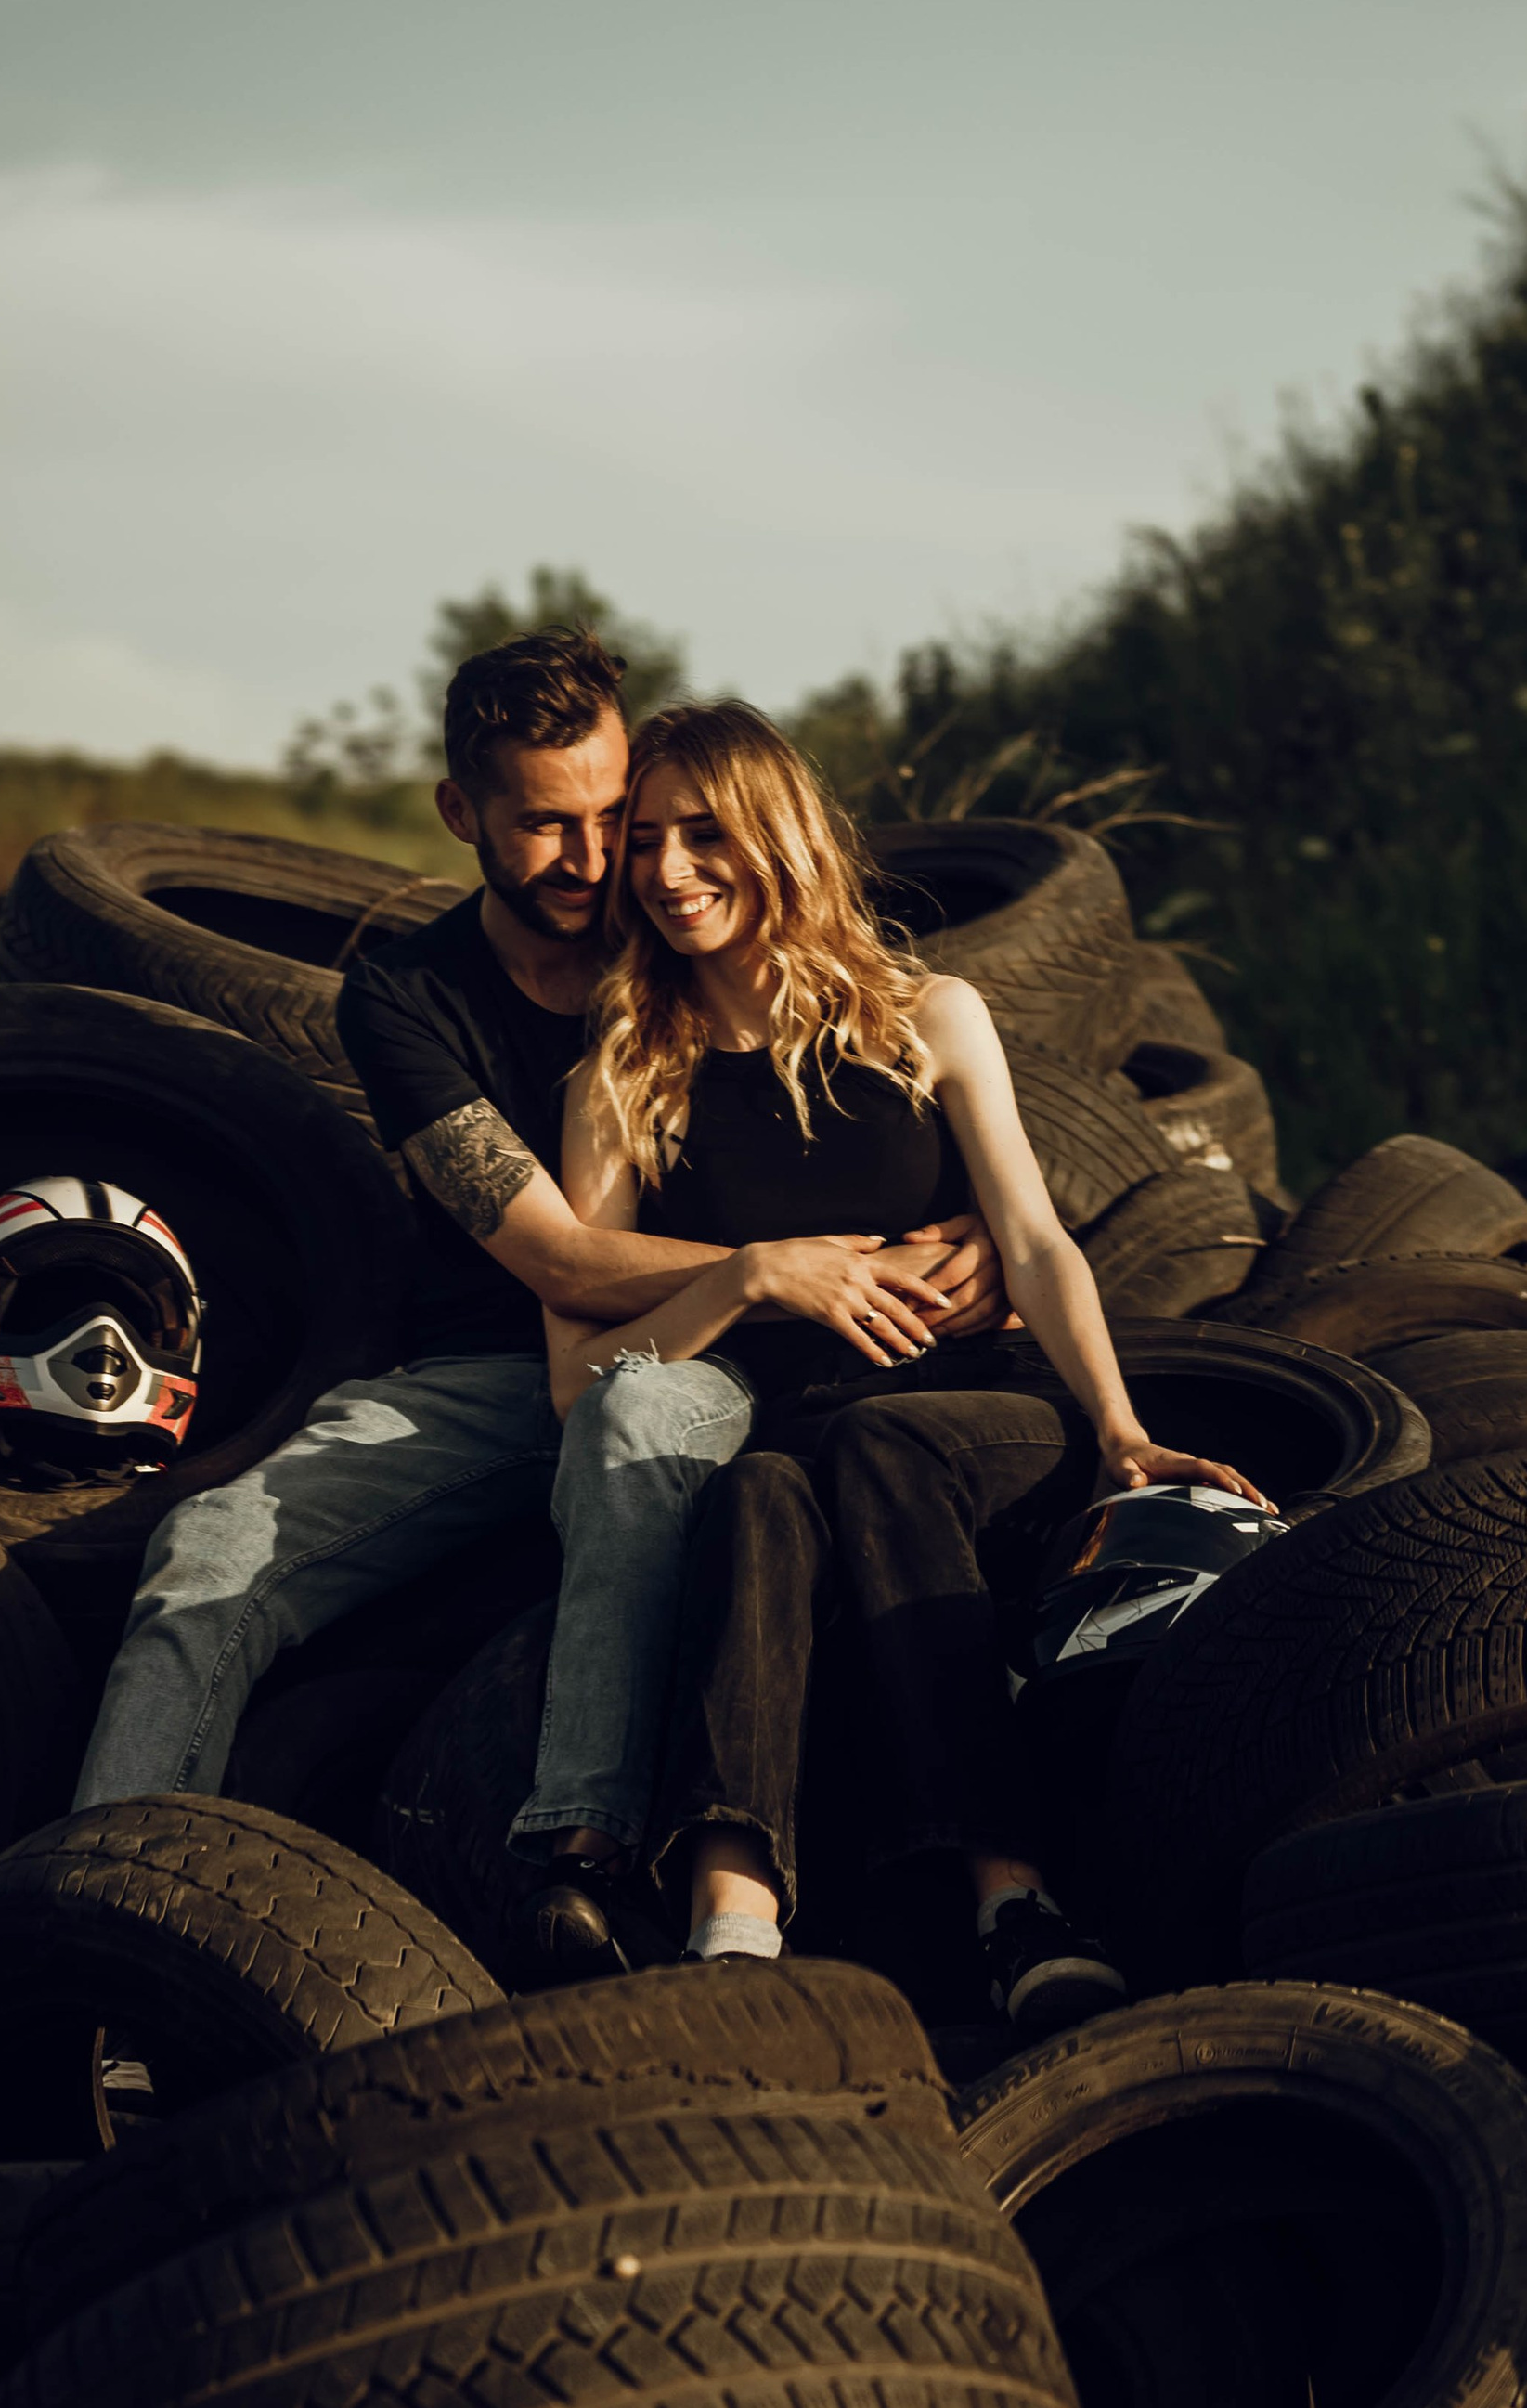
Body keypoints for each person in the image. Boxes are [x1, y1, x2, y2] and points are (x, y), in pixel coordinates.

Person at [71, 629, 1004, 1809]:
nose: (596, 859)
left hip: (748, 1364)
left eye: (613, 816)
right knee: (204, 1558)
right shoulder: (404, 999)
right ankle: (96, 1888)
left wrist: (981, 1232)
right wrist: (779, 1272)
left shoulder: (691, 908)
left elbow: (891, 1083)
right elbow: (559, 1258)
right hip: (505, 1372)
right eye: (546, 824)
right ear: (460, 811)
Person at [516, 698, 1264, 2037]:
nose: (671, 870)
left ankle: (1016, 1898)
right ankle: (732, 1932)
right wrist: (745, 1277)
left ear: (780, 835)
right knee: (758, 1491)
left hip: (974, 1419)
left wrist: (1120, 1431)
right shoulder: (622, 1079)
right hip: (797, 1437)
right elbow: (584, 1384)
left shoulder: (928, 1016)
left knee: (869, 1444)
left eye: (705, 834)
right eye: (644, 843)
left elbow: (1032, 1240)